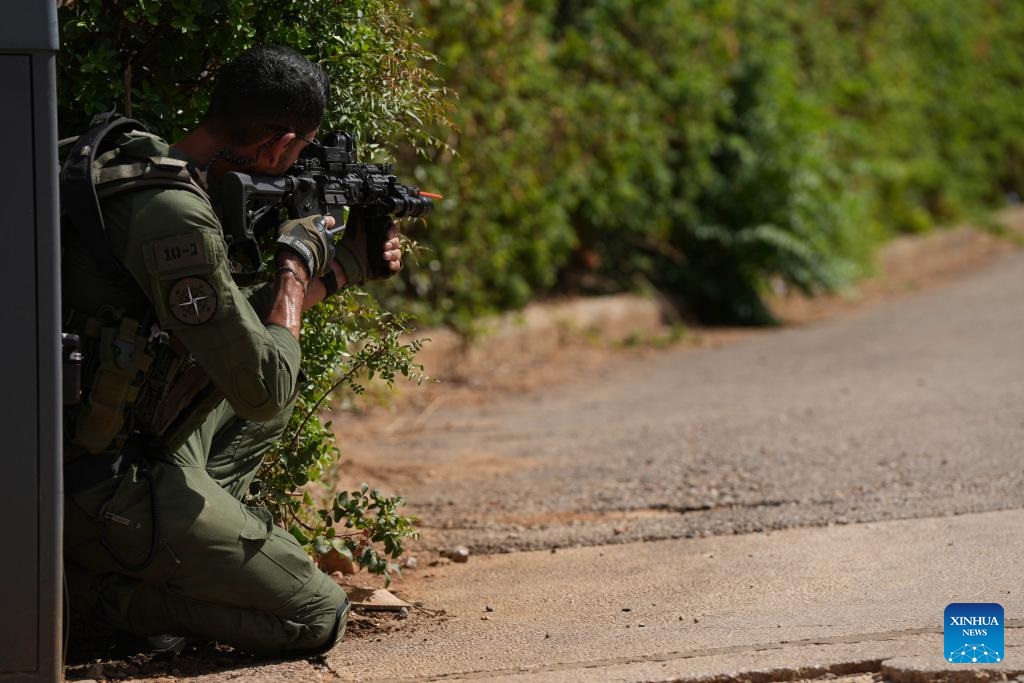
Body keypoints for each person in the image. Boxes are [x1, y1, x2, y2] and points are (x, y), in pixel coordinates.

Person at [61, 45, 400, 657]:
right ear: (277, 144)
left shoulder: (144, 171)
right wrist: (297, 261)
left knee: (267, 398)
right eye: (297, 154)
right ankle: (91, 600)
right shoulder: (173, 216)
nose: (290, 166)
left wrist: (344, 266)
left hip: (111, 445)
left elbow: (241, 338)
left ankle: (199, 544)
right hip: (93, 483)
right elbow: (262, 380)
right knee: (316, 614)